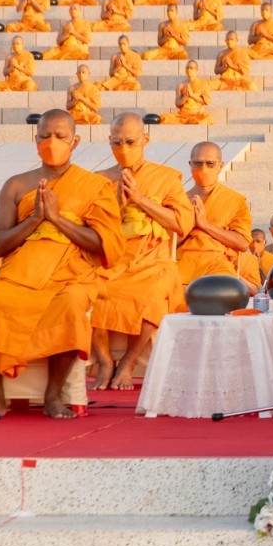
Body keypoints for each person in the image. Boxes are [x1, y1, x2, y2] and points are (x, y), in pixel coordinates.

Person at [0, 111, 124, 417]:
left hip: (71, 275)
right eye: (45, 136)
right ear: (35, 139)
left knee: (71, 305)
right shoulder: (16, 185)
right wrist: (37, 219)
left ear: (75, 141)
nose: (52, 142)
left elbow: (105, 244)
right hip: (21, 273)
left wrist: (57, 219)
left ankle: (53, 395)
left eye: (60, 136)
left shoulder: (95, 186)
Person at [89, 113, 193, 390]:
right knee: (86, 288)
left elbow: (181, 224)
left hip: (152, 261)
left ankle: (129, 363)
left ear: (146, 139)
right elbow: (88, 224)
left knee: (153, 293)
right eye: (116, 142)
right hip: (111, 259)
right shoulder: (98, 180)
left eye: (131, 142)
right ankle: (105, 360)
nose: (123, 149)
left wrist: (139, 199)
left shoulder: (167, 178)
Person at [172, 142, 253, 286]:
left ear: (220, 166)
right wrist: (189, 222)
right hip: (183, 263)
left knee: (222, 293)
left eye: (210, 164)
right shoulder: (178, 200)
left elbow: (242, 243)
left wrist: (205, 225)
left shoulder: (234, 200)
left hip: (217, 264)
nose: (203, 169)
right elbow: (168, 244)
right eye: (198, 163)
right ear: (190, 164)